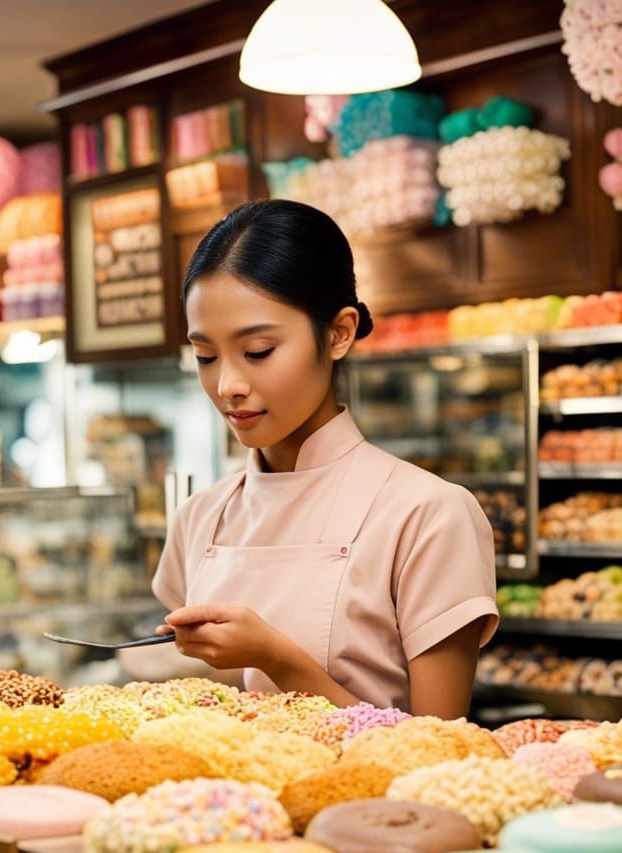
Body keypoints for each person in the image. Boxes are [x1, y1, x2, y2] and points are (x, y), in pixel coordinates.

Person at [153, 199, 498, 716]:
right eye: (204, 356)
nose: (227, 385)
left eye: (259, 351)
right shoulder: (199, 519)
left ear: (338, 333)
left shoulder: (426, 513)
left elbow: (440, 753)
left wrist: (277, 659)